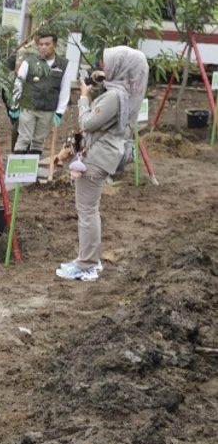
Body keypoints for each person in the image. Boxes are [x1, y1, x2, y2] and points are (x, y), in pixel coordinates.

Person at [55, 47, 147, 282]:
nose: (104, 68)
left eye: (108, 64)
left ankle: (87, 264)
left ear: (120, 68)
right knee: (89, 210)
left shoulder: (114, 97)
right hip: (104, 155)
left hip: (96, 159)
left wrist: (84, 98)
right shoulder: (122, 92)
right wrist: (97, 83)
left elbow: (88, 121)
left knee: (87, 211)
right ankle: (88, 261)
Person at [11, 32, 71, 155]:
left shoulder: (63, 65)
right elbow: (19, 84)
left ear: (54, 45)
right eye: (41, 44)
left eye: (47, 44)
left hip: (48, 110)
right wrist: (14, 106)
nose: (43, 47)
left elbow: (65, 88)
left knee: (39, 141)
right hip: (28, 108)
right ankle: (17, 171)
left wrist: (59, 112)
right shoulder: (30, 62)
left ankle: (31, 172)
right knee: (24, 139)